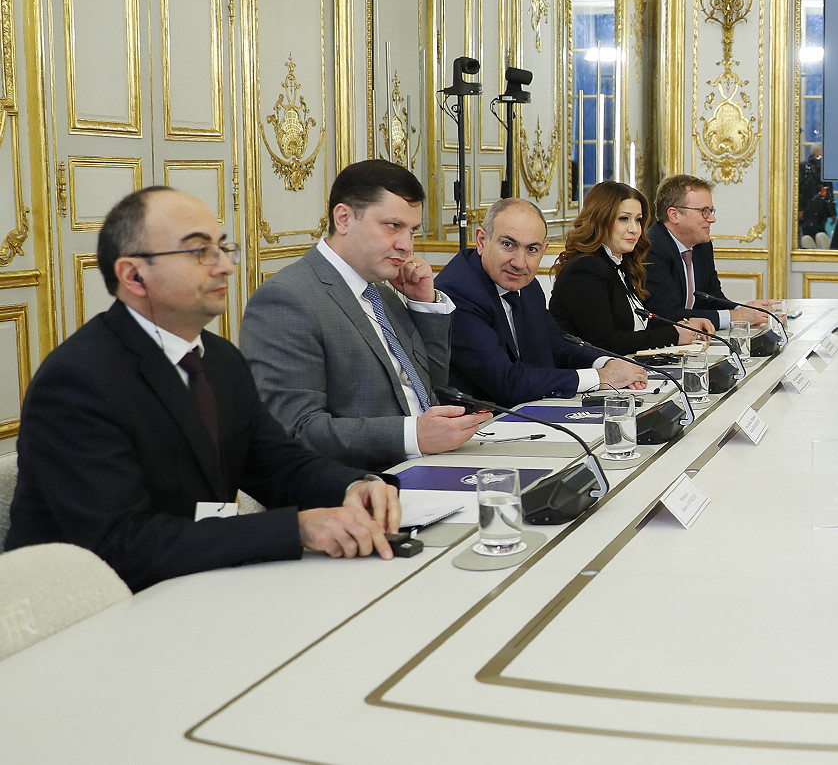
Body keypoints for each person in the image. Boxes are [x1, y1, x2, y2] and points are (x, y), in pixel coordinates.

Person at [5, 188, 402, 591]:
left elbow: (277, 464)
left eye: (222, 248)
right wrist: (296, 528)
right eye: (199, 252)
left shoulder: (219, 359)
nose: (225, 267)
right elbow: (121, 544)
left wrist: (355, 486)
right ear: (133, 275)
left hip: (199, 583)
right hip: (90, 608)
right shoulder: (77, 381)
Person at [241, 161, 490, 472]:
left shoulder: (382, 293)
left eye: (412, 230)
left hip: (434, 465)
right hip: (363, 485)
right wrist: (412, 436)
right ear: (344, 218)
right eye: (392, 226)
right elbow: (295, 429)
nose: (406, 245)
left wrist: (424, 304)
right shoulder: (288, 298)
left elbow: (431, 388)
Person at [435, 197, 647, 405]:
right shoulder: (459, 292)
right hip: (478, 420)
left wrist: (609, 363)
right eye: (508, 244)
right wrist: (601, 378)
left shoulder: (527, 286)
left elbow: (556, 345)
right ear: (482, 241)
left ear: (543, 250)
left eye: (532, 249)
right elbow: (507, 382)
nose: (520, 263)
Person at [550, 182, 712, 355]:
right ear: (599, 219)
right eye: (623, 219)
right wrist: (673, 335)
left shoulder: (619, 262)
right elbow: (604, 342)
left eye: (638, 220)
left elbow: (640, 321)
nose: (634, 229)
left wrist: (685, 324)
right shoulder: (585, 268)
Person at [643, 174, 773, 330]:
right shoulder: (651, 249)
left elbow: (712, 298)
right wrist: (736, 317)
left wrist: (748, 311)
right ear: (674, 215)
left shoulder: (702, 245)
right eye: (704, 211)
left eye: (711, 211)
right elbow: (667, 314)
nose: (712, 219)